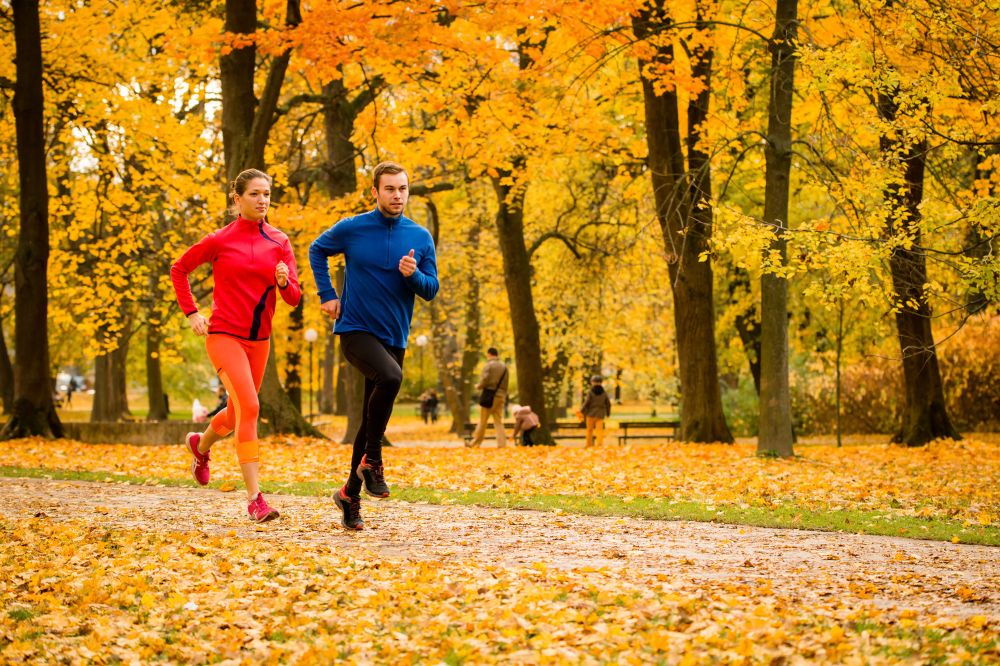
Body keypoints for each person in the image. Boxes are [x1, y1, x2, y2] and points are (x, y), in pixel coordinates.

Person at [309, 161, 439, 531]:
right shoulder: (353, 228)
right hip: (355, 329)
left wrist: (414, 277)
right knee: (391, 377)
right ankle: (374, 461)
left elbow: (432, 290)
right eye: (390, 189)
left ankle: (350, 495)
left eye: (402, 189)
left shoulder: (420, 236)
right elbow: (317, 250)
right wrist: (328, 294)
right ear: (375, 192)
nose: (397, 196)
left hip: (394, 335)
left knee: (370, 420)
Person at [170, 168, 301, 523]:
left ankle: (201, 445)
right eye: (255, 194)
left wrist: (284, 281)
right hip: (224, 335)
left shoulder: (280, 241)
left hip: (259, 341)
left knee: (236, 412)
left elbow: (294, 298)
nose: (262, 200)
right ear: (237, 199)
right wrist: (192, 313)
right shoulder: (219, 239)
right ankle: (255, 499)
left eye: (267, 194)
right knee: (251, 406)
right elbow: (179, 269)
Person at [468, 347, 509, 448]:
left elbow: (485, 379)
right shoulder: (504, 366)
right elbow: (506, 382)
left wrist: (478, 386)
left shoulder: (489, 365)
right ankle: (502, 444)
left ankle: (475, 443)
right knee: (498, 422)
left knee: (483, 421)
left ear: (489, 354)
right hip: (501, 396)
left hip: (489, 397)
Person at [581, 374, 612, 447]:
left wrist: (581, 410)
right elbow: (608, 404)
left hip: (590, 414)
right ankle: (599, 445)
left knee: (589, 430)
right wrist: (608, 413)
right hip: (600, 414)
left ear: (592, 382)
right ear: (601, 383)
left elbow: (587, 402)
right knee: (599, 431)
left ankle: (589, 445)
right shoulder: (604, 393)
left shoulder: (590, 392)